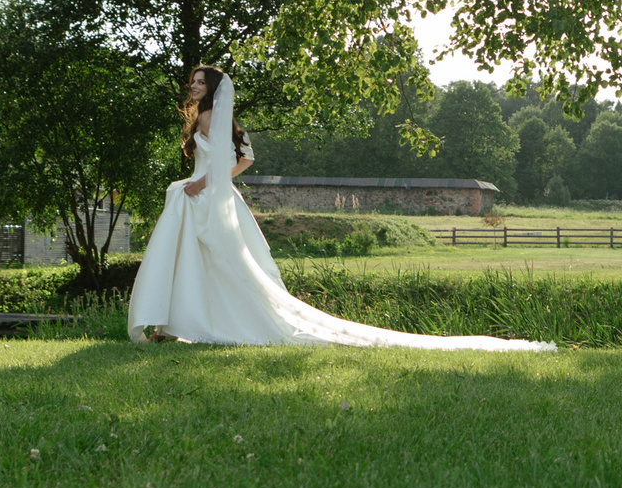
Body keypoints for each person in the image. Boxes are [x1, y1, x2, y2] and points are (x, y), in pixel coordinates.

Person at [127, 65, 555, 351]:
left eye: (199, 82)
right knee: (198, 261)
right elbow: (238, 158)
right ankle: (177, 324)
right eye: (193, 82)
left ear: (212, 88)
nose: (193, 86)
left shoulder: (211, 119)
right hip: (205, 195)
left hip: (205, 195)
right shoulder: (208, 119)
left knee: (209, 262)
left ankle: (186, 323)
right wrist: (205, 181)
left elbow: (234, 160)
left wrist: (205, 182)